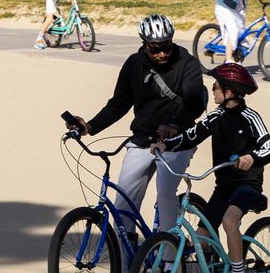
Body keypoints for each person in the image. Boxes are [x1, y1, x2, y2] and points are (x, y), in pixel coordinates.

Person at [63, 14, 207, 231]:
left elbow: (195, 103)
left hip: (178, 141)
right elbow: (118, 104)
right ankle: (124, 259)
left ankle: (168, 259)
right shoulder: (133, 65)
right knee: (123, 202)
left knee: (166, 193)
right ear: (144, 44)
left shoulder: (188, 64)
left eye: (167, 47)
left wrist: (175, 124)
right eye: (155, 48)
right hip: (142, 139)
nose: (162, 53)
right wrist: (89, 126)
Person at [159, 62, 270, 273]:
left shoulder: (251, 117)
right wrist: (166, 144)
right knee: (202, 236)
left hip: (247, 184)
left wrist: (252, 157)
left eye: (215, 87)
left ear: (230, 91)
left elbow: (269, 148)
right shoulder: (216, 116)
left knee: (229, 220)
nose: (212, 90)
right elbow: (193, 134)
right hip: (223, 185)